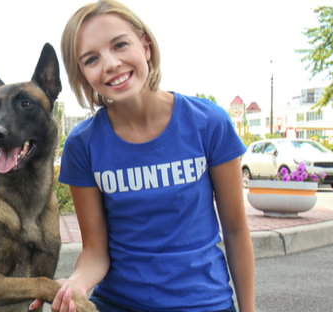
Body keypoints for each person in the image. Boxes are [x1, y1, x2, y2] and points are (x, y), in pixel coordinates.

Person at [29, 1, 255, 311]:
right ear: (82, 74)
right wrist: (77, 282)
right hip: (117, 303)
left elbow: (236, 229)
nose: (110, 64)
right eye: (91, 59)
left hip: (204, 304)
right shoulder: (82, 145)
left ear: (145, 46)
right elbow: (95, 250)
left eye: (120, 44)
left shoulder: (209, 123)